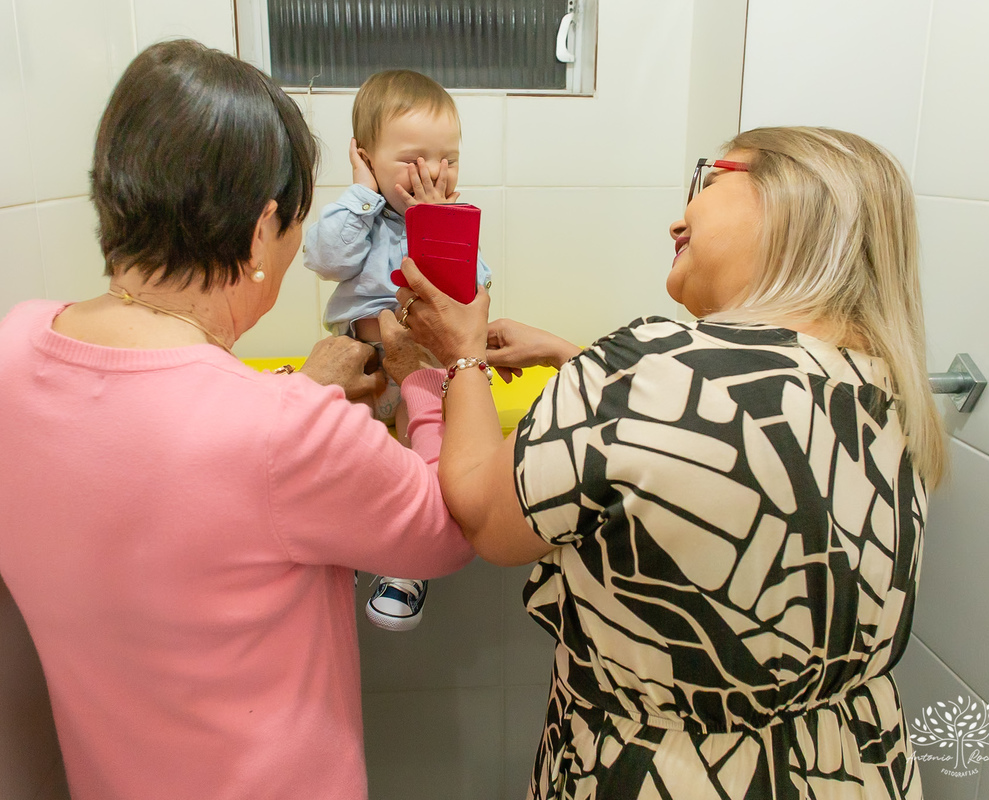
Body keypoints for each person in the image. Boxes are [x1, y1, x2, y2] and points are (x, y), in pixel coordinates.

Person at [0, 40, 473, 800]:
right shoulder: (281, 428)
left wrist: (303, 391)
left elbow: (185, 496)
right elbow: (444, 528)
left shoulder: (10, 350)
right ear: (264, 230)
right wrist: (433, 368)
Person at [394, 126, 944, 799]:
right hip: (852, 767)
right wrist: (581, 365)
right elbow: (735, 440)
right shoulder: (890, 386)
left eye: (709, 179)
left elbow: (483, 510)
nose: (679, 215)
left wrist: (462, 356)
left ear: (791, 199)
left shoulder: (647, 370)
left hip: (670, 776)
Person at [304, 68, 492, 631]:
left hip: (422, 362)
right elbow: (325, 260)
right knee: (335, 443)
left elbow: (466, 294)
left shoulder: (453, 223)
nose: (434, 171)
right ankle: (346, 544)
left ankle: (409, 560)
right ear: (365, 158)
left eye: (448, 158)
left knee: (422, 440)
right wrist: (363, 193)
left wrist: (433, 226)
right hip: (358, 361)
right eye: (413, 158)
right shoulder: (354, 215)